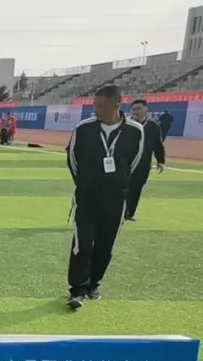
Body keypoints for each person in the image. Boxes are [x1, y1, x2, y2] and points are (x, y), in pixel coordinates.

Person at [64, 85, 144, 310]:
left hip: (115, 199)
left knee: (105, 244)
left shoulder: (135, 131)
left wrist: (119, 183)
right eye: (95, 105)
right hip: (87, 197)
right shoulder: (84, 128)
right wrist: (85, 184)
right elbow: (72, 160)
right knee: (82, 243)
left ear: (117, 104)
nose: (96, 109)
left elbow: (135, 163)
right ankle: (77, 290)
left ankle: (93, 285)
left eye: (100, 106)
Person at [125, 99, 166, 222]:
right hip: (125, 163)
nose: (135, 111)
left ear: (145, 109)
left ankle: (130, 213)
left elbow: (158, 145)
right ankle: (120, 212)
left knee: (137, 189)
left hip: (143, 164)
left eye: (138, 109)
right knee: (123, 188)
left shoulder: (153, 126)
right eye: (133, 109)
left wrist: (160, 160)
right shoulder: (126, 124)